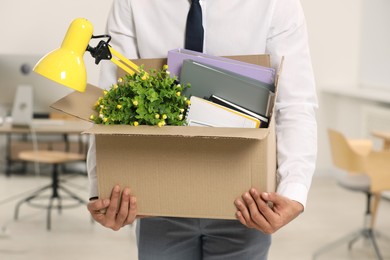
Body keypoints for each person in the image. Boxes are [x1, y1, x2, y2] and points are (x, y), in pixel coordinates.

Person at [87, 0, 318, 259]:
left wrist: (294, 192)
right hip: (159, 198)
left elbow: (294, 103)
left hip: (245, 202)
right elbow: (108, 101)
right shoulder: (132, 3)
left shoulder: (276, 4)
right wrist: (102, 188)